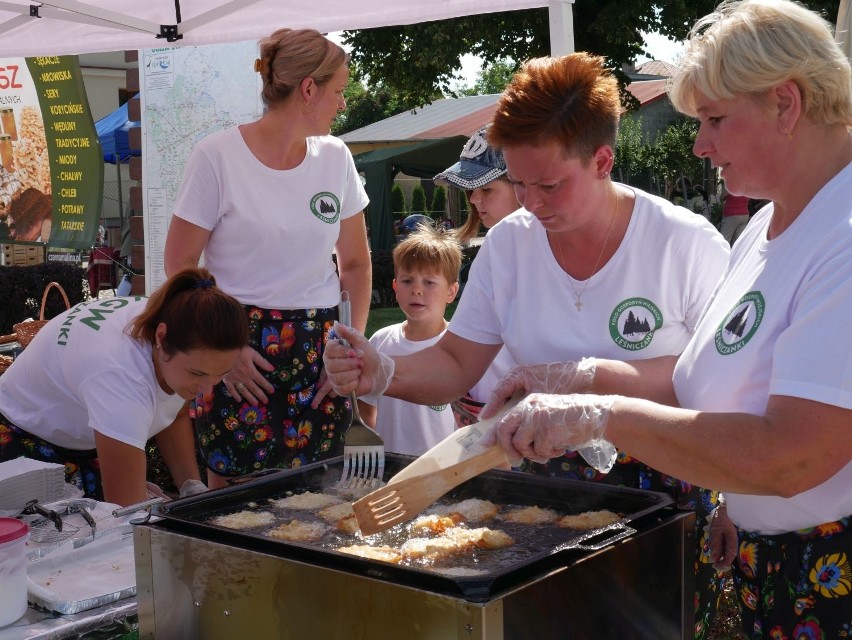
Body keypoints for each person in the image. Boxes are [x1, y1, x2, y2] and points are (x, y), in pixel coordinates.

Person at [476, 1, 852, 637]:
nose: (701, 144)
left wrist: (600, 415)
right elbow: (699, 380)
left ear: (785, 104)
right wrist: (578, 380)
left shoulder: (842, 234)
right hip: (780, 561)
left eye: (714, 119)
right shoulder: (768, 223)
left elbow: (792, 456)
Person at [323, 52, 731, 637]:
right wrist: (382, 372)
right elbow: (458, 363)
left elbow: (714, 381)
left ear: (602, 161)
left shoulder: (682, 243)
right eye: (518, 182)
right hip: (541, 491)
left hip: (661, 490)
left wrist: (583, 377)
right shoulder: (510, 244)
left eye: (548, 185)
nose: (531, 203)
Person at [163, 28, 371, 488]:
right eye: (338, 91)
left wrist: (348, 346)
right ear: (309, 89)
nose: (343, 104)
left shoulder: (336, 157)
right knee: (234, 501)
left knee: (324, 495)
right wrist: (224, 351)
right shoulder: (216, 157)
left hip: (323, 351)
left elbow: (354, 264)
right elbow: (180, 264)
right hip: (237, 344)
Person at [0, 268, 248, 506]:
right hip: (23, 434)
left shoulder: (174, 318)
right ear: (161, 338)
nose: (206, 390)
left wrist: (191, 486)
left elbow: (174, 409)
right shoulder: (117, 372)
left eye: (221, 374)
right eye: (197, 373)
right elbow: (124, 507)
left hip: (80, 431)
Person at [433, 124, 521, 427]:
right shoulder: (493, 251)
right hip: (482, 410)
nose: (474, 200)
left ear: (523, 184)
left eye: (487, 189)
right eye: (472, 190)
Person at [358, 226, 461, 455]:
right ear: (395, 287)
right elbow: (366, 408)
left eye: (429, 282)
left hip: (445, 471)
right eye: (407, 281)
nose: (416, 289)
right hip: (390, 470)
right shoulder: (380, 341)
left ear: (451, 292)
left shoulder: (459, 346)